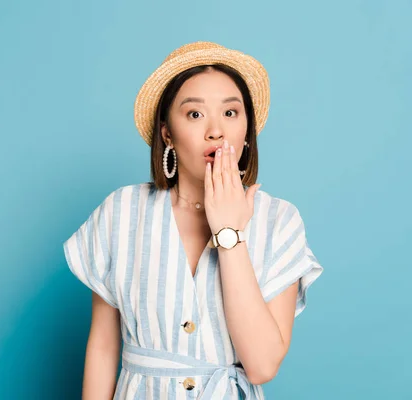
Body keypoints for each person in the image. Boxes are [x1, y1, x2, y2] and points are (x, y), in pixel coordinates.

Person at [63, 41, 323, 400]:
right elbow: (103, 349)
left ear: (247, 132)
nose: (216, 131)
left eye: (231, 113)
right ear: (167, 131)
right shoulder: (119, 212)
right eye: (195, 114)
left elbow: (262, 365)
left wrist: (229, 232)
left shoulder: (279, 220)